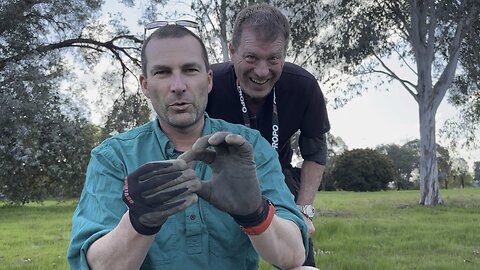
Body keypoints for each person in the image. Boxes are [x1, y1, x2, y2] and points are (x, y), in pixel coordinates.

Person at [67, 24, 311, 270]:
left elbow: (293, 256)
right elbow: (94, 265)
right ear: (145, 85)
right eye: (162, 72)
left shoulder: (249, 147)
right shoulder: (113, 157)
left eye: (190, 70)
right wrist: (138, 222)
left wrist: (255, 214)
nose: (178, 86)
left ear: (208, 80)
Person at [206, 4, 331, 267]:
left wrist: (304, 211)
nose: (262, 72)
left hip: (277, 175)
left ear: (285, 55)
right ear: (232, 51)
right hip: (215, 177)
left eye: (273, 59)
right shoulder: (208, 84)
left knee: (298, 252)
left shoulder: (304, 87)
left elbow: (315, 152)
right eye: (251, 58)